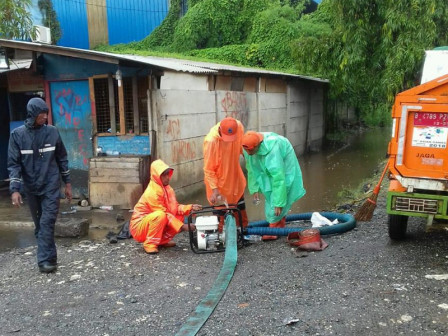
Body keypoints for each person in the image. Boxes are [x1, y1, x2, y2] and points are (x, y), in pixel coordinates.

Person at [8, 97, 72, 273]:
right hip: (31, 188)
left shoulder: (52, 132)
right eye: (42, 114)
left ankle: (44, 261)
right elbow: (14, 164)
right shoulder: (17, 136)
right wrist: (15, 189)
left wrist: (67, 184)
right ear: (33, 114)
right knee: (40, 226)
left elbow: (62, 158)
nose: (45, 117)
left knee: (47, 222)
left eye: (46, 114)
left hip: (51, 186)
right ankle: (51, 257)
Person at [242, 131, 306, 240]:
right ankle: (279, 227)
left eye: (251, 150)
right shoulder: (247, 148)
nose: (248, 153)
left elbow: (279, 177)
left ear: (258, 145)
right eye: (247, 150)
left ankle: (272, 230)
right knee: (268, 189)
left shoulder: (273, 149)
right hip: (267, 156)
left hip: (285, 162)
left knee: (282, 191)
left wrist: (278, 203)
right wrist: (254, 189)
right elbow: (252, 169)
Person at [130, 159, 202, 254]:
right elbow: (165, 214)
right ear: (157, 176)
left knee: (179, 216)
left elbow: (175, 207)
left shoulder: (168, 189)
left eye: (168, 174)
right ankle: (150, 244)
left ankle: (161, 241)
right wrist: (183, 227)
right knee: (160, 216)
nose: (168, 177)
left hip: (153, 222)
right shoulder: (152, 192)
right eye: (164, 175)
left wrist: (189, 208)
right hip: (139, 227)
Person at [203, 117, 248, 229]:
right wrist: (215, 190)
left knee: (240, 212)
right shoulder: (211, 142)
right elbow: (209, 170)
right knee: (221, 219)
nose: (230, 141)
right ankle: (222, 238)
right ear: (220, 130)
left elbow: (243, 148)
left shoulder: (238, 127)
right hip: (219, 184)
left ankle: (243, 232)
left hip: (235, 177)